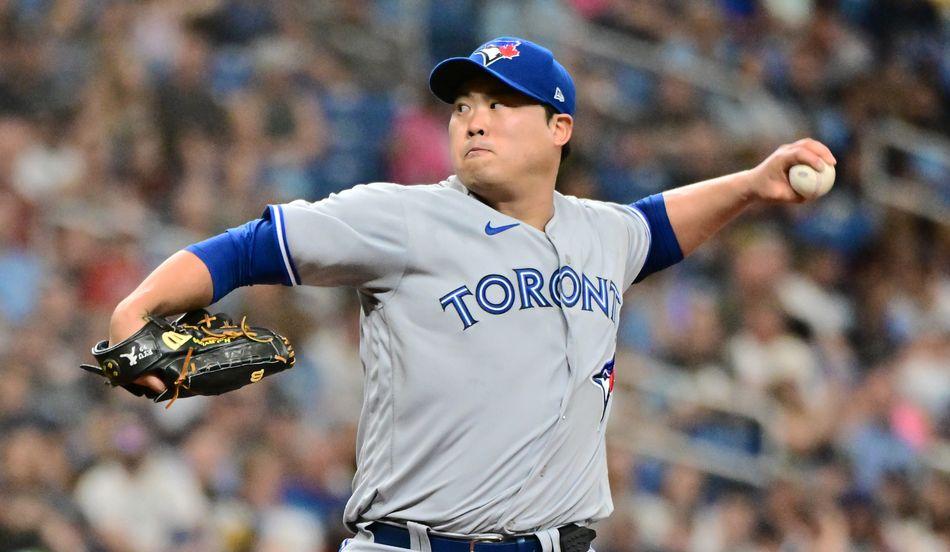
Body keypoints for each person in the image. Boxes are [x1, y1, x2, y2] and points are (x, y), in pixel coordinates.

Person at [107, 37, 836, 552]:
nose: (473, 118)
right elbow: (248, 248)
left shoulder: (602, 233)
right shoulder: (402, 217)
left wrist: (748, 185)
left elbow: (658, 225)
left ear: (561, 129)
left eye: (500, 103)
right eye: (463, 106)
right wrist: (136, 310)